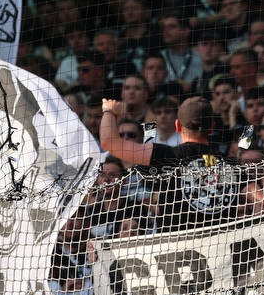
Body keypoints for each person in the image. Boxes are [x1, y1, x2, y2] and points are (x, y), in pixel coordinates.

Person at [100, 96, 237, 231]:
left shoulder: (167, 156)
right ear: (212, 127)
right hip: (222, 246)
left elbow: (109, 142)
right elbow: (257, 196)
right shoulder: (230, 164)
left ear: (177, 125)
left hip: (176, 248)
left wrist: (109, 111)